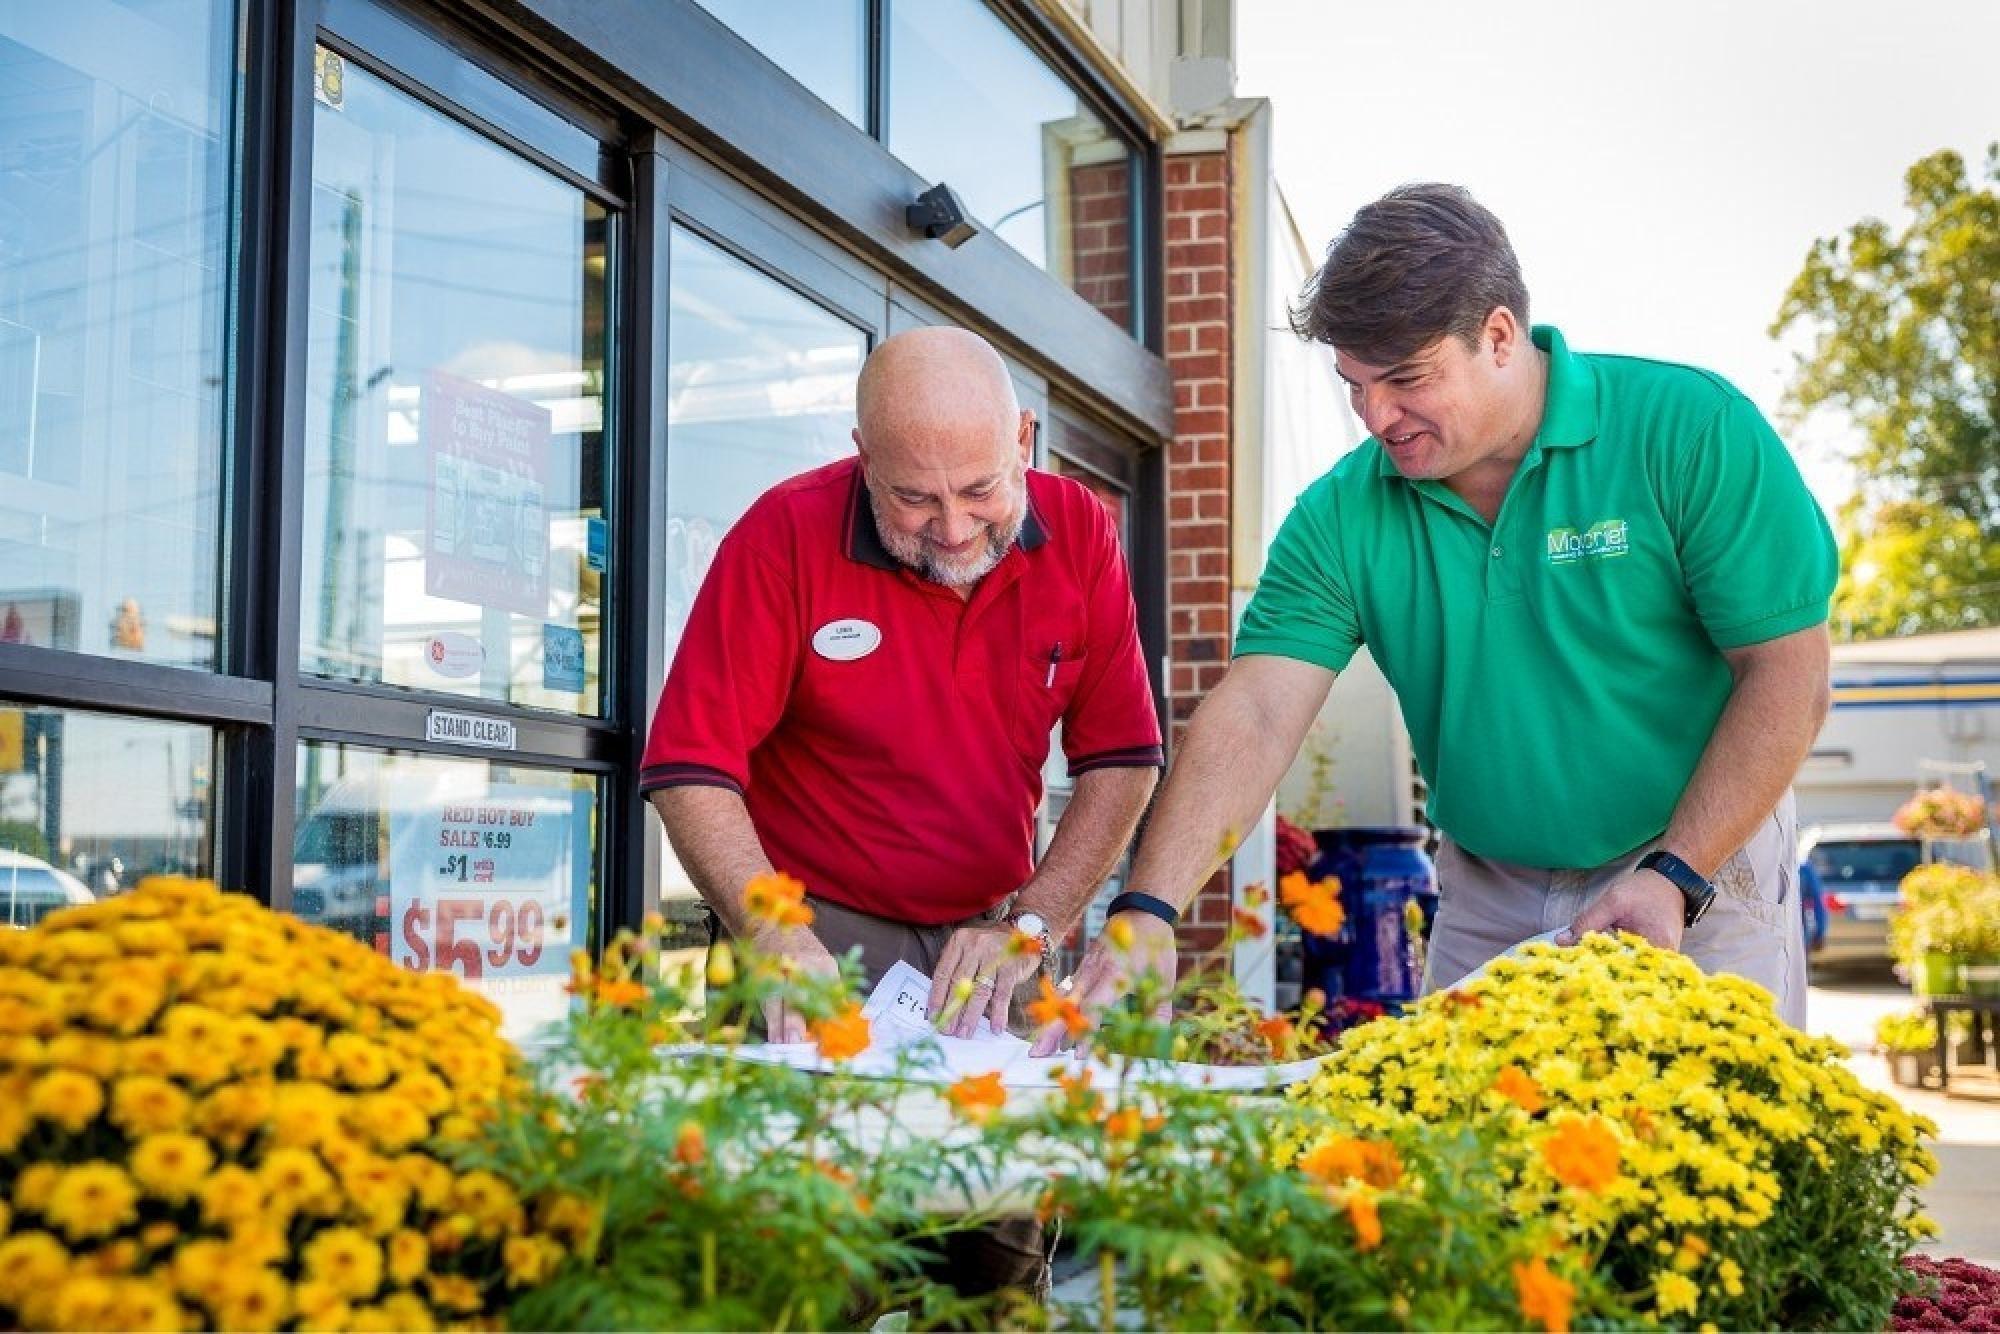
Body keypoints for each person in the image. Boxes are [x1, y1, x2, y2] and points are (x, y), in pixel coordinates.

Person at [1042, 183, 1834, 1045]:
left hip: (1697, 866)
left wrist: (1674, 873)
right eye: (1354, 384)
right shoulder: (1340, 515)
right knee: (1459, 1132)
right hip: (1490, 888)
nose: (1376, 416)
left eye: (1406, 379)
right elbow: (1259, 710)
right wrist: (1149, 908)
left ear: (1498, 336)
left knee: (1704, 1125)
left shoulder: (1690, 430)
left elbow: (1787, 674)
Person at [642, 325, 1163, 1293]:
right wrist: (772, 932)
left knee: (995, 1269)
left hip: (995, 940)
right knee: (804, 1268)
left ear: (1023, 438)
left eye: (979, 491)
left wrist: (1035, 923)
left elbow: (1122, 762)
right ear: (861, 456)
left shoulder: (1082, 535)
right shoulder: (781, 535)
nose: (954, 529)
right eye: (915, 498)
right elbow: (689, 766)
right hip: (818, 938)